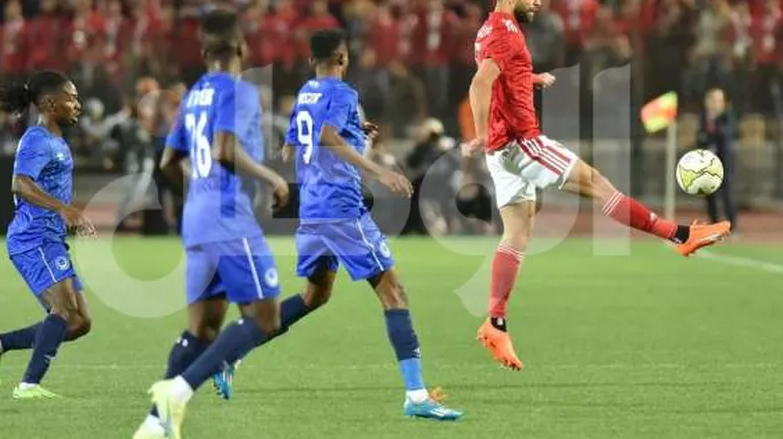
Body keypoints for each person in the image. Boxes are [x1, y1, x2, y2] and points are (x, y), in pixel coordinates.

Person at [462, 0, 732, 371]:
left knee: (516, 234)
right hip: (521, 142)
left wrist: (531, 78)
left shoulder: (489, 29)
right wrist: (478, 135)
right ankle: (679, 234)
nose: (539, 2)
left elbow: (499, 74)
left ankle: (495, 322)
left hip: (501, 149)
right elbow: (480, 84)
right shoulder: (505, 34)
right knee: (599, 184)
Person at [214, 29, 463, 421]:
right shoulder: (344, 94)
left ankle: (232, 352)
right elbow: (327, 135)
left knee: (315, 296)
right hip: (341, 208)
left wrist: (352, 133)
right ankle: (416, 395)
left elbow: (292, 147)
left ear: (313, 58)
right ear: (343, 57)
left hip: (312, 208)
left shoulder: (307, 93)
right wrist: (378, 170)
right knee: (394, 292)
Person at [133, 11, 290, 439]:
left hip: (197, 219)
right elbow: (225, 149)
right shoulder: (238, 92)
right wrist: (272, 176)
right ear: (242, 49)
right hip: (228, 218)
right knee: (265, 317)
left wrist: (195, 191)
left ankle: (154, 424)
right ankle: (178, 392)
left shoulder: (195, 93)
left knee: (201, 329)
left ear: (204, 53)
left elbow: (167, 162)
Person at [0, 71, 96, 399]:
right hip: (33, 238)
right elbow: (20, 184)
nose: (77, 104)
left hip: (51, 237)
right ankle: (28, 385)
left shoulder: (57, 141)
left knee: (80, 322)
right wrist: (62, 209)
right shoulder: (36, 139)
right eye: (71, 98)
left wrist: (66, 218)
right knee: (63, 309)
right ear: (49, 103)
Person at [698, 88, 737, 231]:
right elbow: (700, 135)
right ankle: (714, 223)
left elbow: (728, 133)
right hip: (708, 160)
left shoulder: (726, 115)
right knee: (709, 193)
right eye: (713, 100)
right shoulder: (704, 116)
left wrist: (716, 121)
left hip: (724, 159)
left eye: (719, 101)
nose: (716, 103)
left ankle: (732, 226)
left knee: (727, 192)